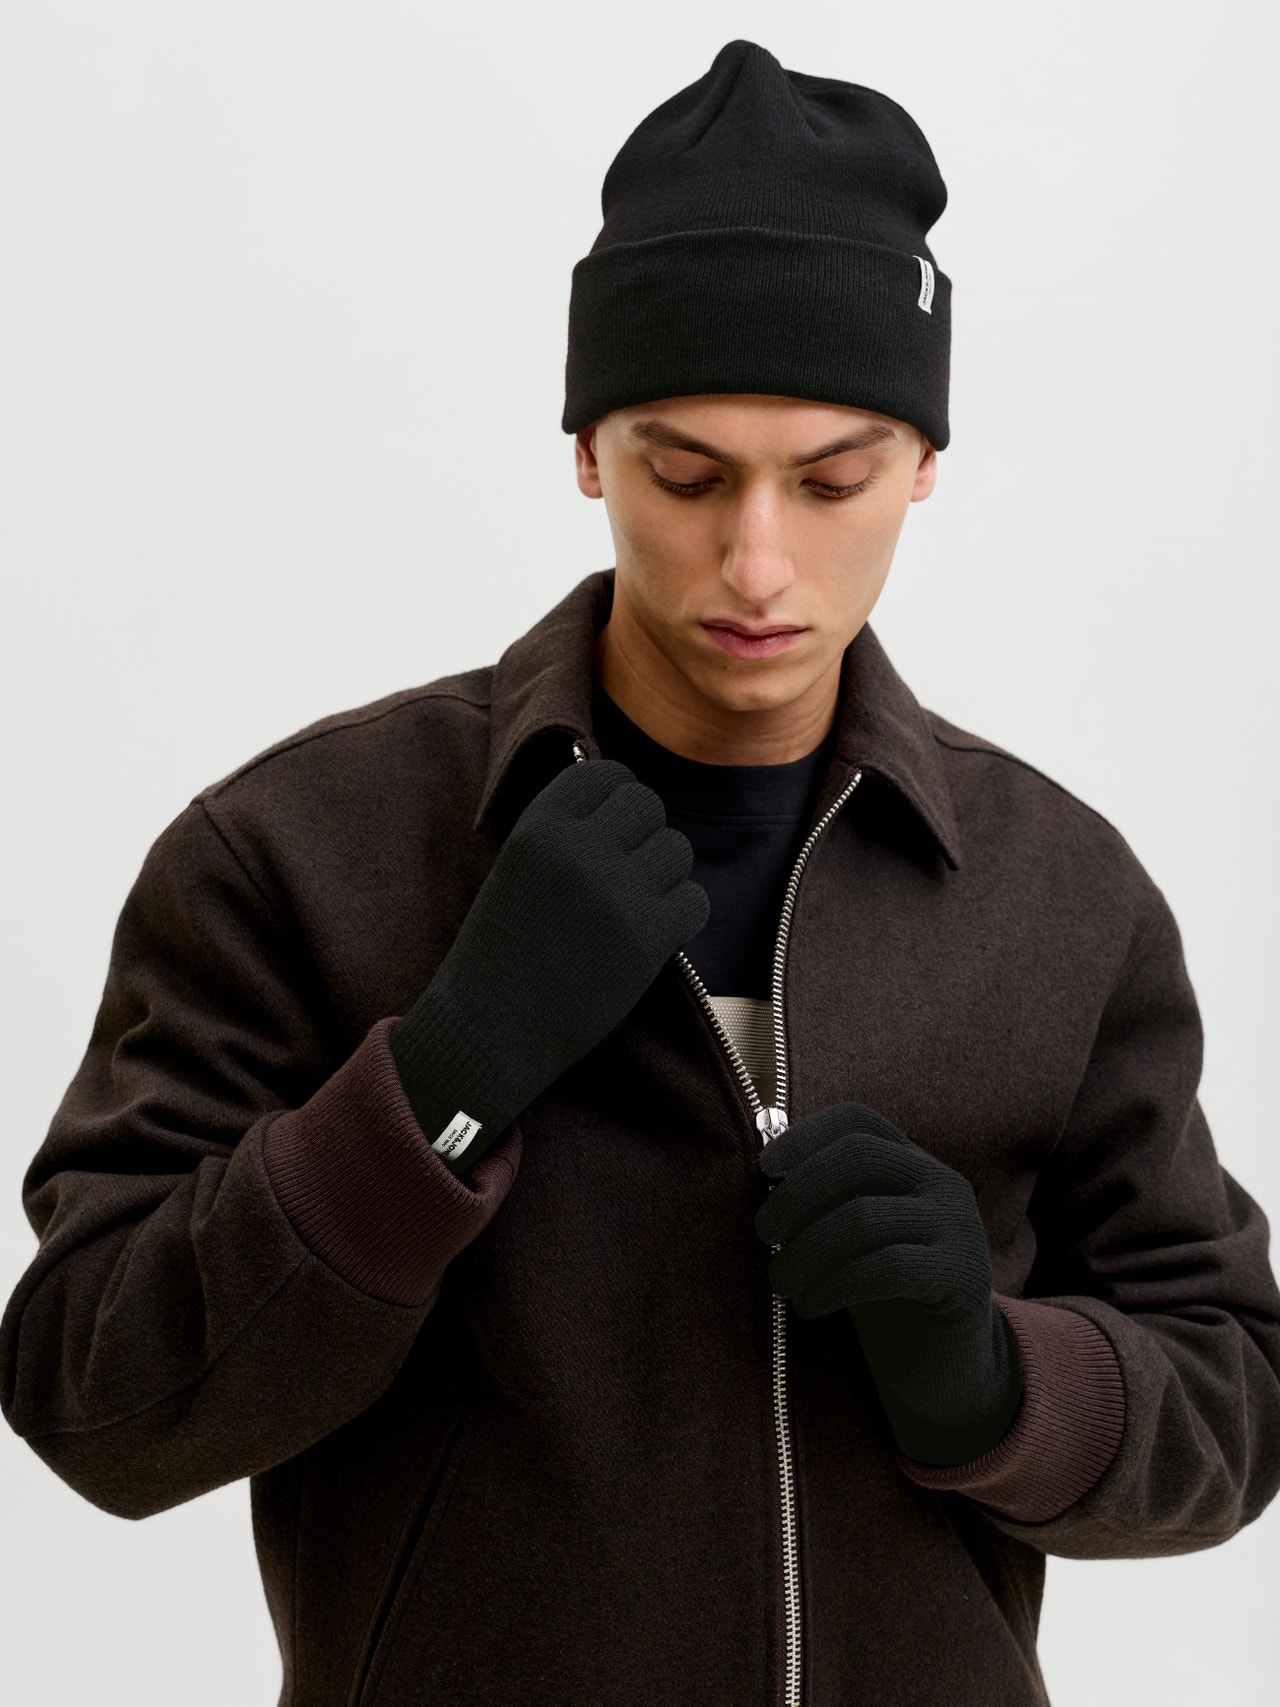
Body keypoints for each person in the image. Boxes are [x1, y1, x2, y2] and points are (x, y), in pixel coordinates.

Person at [4, 37, 1278, 1707]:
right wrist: (437, 1090)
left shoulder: (1058, 897)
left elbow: (1234, 1391)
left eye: (831, 480)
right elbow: (94, 1399)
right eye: (687, 473)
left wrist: (994, 1381)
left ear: (924, 465)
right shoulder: (299, 853)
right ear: (591, 448)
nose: (758, 561)